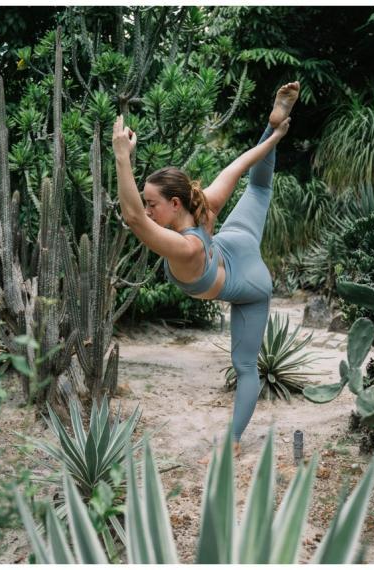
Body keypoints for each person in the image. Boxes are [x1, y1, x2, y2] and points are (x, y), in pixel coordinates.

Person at [112, 82, 301, 456]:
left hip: (248, 283)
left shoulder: (186, 248)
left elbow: (133, 218)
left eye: (153, 204)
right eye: (147, 204)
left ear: (175, 203)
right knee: (259, 190)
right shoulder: (204, 206)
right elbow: (242, 164)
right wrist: (274, 132)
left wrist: (122, 158)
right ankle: (273, 117)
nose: (148, 211)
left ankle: (233, 443)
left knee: (245, 367)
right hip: (235, 241)